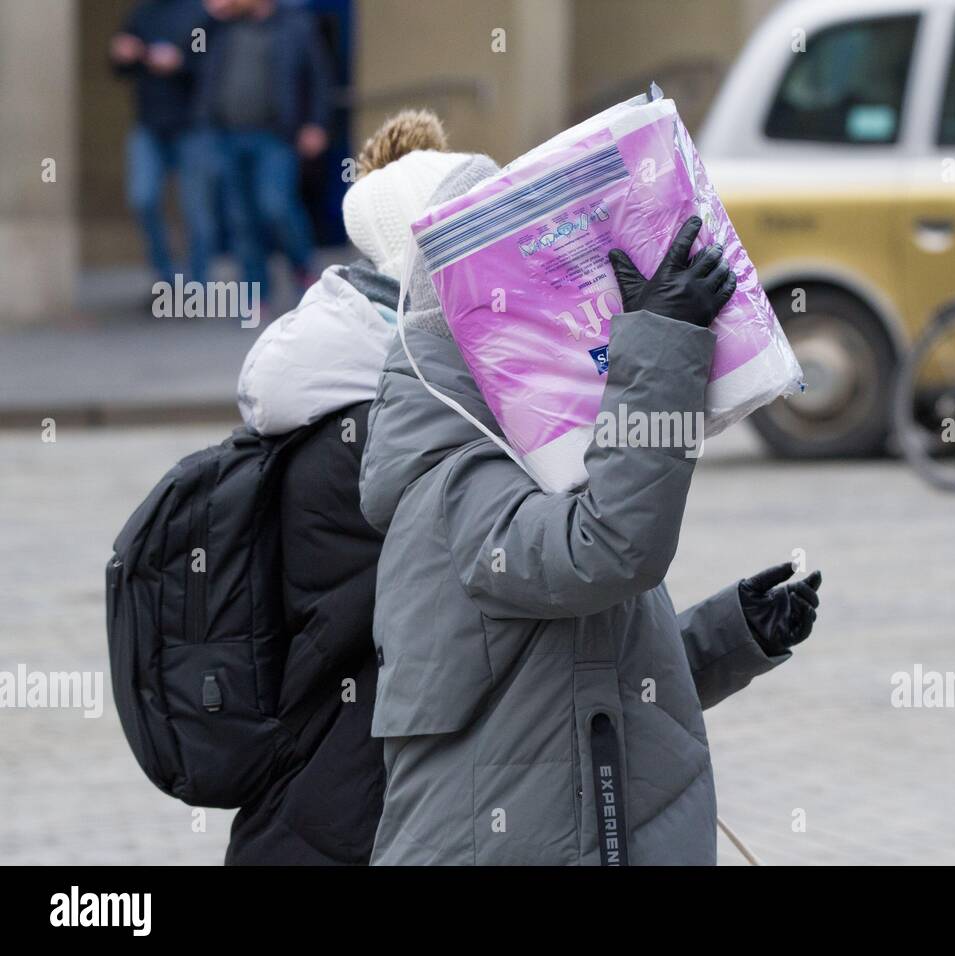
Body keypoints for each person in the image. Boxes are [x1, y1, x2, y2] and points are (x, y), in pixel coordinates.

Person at [359, 164, 824, 864]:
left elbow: (584, 673)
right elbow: (608, 550)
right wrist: (660, 340)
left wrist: (731, 633)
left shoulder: (533, 461)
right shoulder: (455, 484)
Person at [226, 110, 458, 864]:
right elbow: (533, 582)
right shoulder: (372, 433)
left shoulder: (359, 396)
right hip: (347, 817)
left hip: (335, 801)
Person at [194, 0, 333, 296]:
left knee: (276, 205)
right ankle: (256, 291)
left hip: (276, 137)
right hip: (227, 136)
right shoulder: (219, 27)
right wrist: (207, 17)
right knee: (240, 218)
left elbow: (320, 78)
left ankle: (303, 267)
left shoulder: (296, 24)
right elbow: (189, 51)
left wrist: (317, 124)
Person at [109, 0, 214, 288]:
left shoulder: (200, 13)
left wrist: (181, 61)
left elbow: (212, 63)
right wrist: (122, 55)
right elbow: (119, 66)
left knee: (196, 210)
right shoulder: (143, 13)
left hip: (192, 126)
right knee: (142, 198)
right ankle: (165, 279)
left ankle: (197, 285)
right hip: (149, 125)